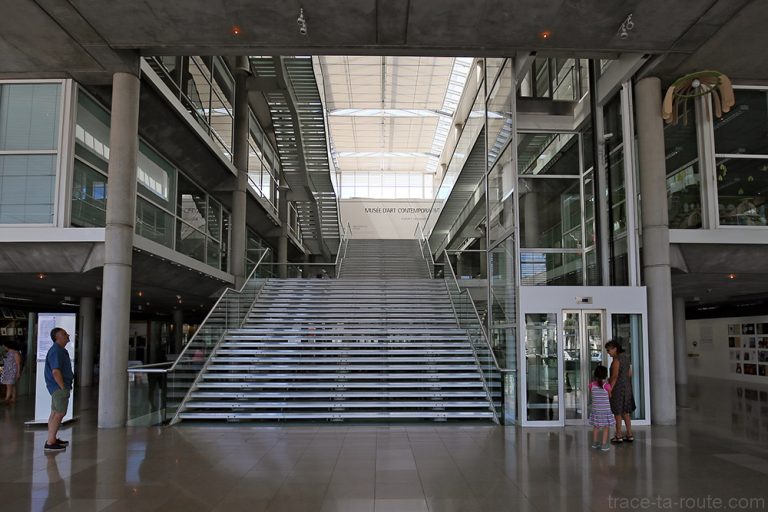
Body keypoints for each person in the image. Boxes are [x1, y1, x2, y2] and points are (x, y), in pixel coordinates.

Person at [44, 327, 73, 452]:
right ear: (57, 338)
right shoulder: (56, 351)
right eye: (64, 334)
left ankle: (52, 439)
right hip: (59, 387)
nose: (67, 335)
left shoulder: (60, 350)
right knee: (59, 413)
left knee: (55, 413)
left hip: (57, 387)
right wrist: (63, 387)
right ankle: (50, 442)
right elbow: (55, 371)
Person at [605, 339, 636, 443]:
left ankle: (618, 435)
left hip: (618, 389)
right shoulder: (626, 358)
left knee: (617, 413)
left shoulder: (616, 360)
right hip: (627, 387)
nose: (608, 353)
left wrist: (609, 389)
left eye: (609, 350)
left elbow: (614, 377)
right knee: (626, 413)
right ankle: (629, 434)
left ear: (615, 349)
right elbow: (629, 373)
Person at [588, 365, 613, 451]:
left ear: (595, 374)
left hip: (596, 410)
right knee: (606, 427)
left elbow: (592, 393)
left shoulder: (591, 385)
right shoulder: (607, 385)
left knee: (596, 426)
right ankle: (604, 444)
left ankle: (595, 443)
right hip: (605, 410)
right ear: (605, 375)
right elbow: (610, 396)